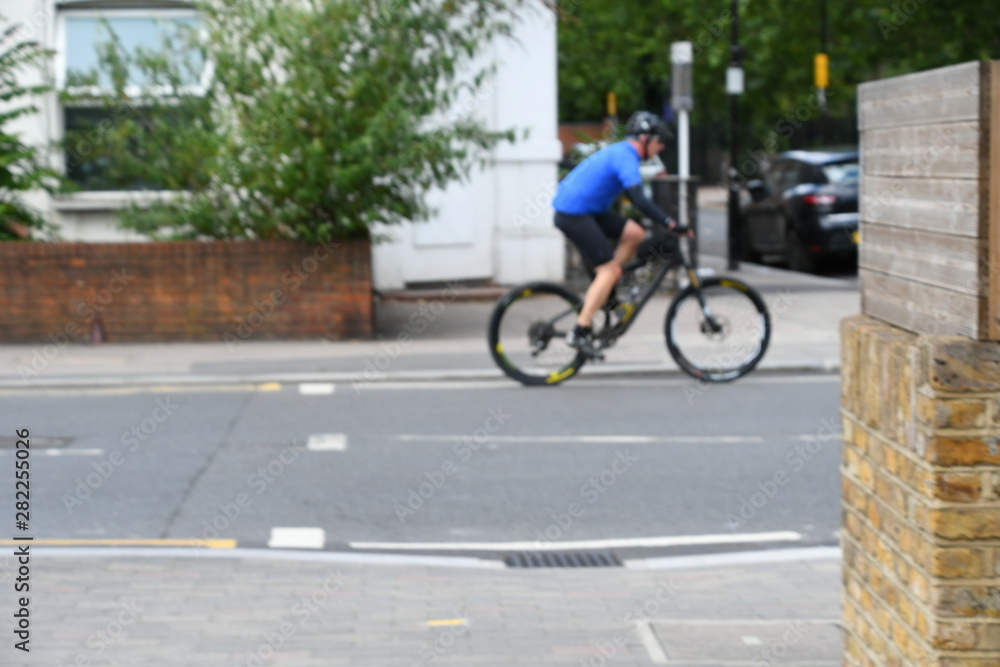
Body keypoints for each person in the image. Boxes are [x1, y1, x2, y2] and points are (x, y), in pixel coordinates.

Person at [552, 110, 693, 358]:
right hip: (574, 214)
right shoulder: (626, 155)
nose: (660, 148)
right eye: (659, 141)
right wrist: (670, 223)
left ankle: (610, 290)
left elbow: (631, 195)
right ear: (645, 138)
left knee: (635, 233)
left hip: (589, 211)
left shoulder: (623, 153)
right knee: (608, 270)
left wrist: (661, 221)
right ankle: (580, 330)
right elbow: (639, 199)